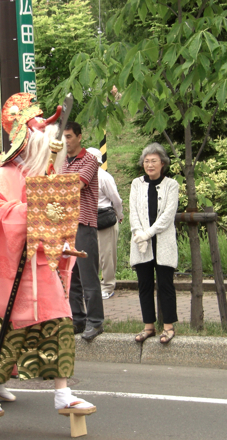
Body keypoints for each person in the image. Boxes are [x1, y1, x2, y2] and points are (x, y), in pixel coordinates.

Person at [0, 93, 95, 419]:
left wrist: (61, 242)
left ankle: (62, 394)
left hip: (38, 266)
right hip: (3, 271)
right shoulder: (4, 177)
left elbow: (52, 221)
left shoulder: (40, 177)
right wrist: (30, 212)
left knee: (59, 321)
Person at [130, 143, 179, 344]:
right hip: (141, 242)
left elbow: (168, 215)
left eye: (154, 161)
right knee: (145, 285)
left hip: (162, 241)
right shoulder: (136, 183)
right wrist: (139, 233)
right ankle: (148, 326)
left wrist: (149, 232)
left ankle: (168, 327)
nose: (149, 165)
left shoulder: (171, 185)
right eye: (146, 161)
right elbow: (133, 210)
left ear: (163, 163)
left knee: (166, 285)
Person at [62, 122, 104, 341]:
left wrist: (54, 185)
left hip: (84, 225)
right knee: (72, 277)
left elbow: (75, 186)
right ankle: (77, 320)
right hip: (66, 226)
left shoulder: (90, 160)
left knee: (88, 276)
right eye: (63, 137)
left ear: (79, 136)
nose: (65, 141)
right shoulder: (62, 161)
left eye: (69, 136)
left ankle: (95, 321)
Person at [87, 147, 123, 300]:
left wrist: (119, 214)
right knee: (93, 254)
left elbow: (116, 199)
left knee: (106, 254)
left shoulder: (103, 177)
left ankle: (107, 286)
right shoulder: (85, 177)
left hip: (103, 219)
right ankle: (95, 286)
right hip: (88, 218)